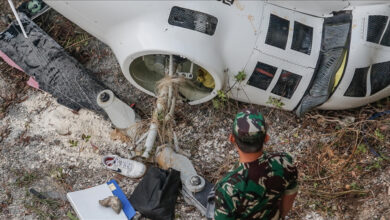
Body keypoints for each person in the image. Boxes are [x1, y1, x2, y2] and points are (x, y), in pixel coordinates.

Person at [214, 109, 298, 220]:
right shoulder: (285, 161)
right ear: (266, 138)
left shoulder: (227, 187)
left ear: (232, 138)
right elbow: (290, 196)